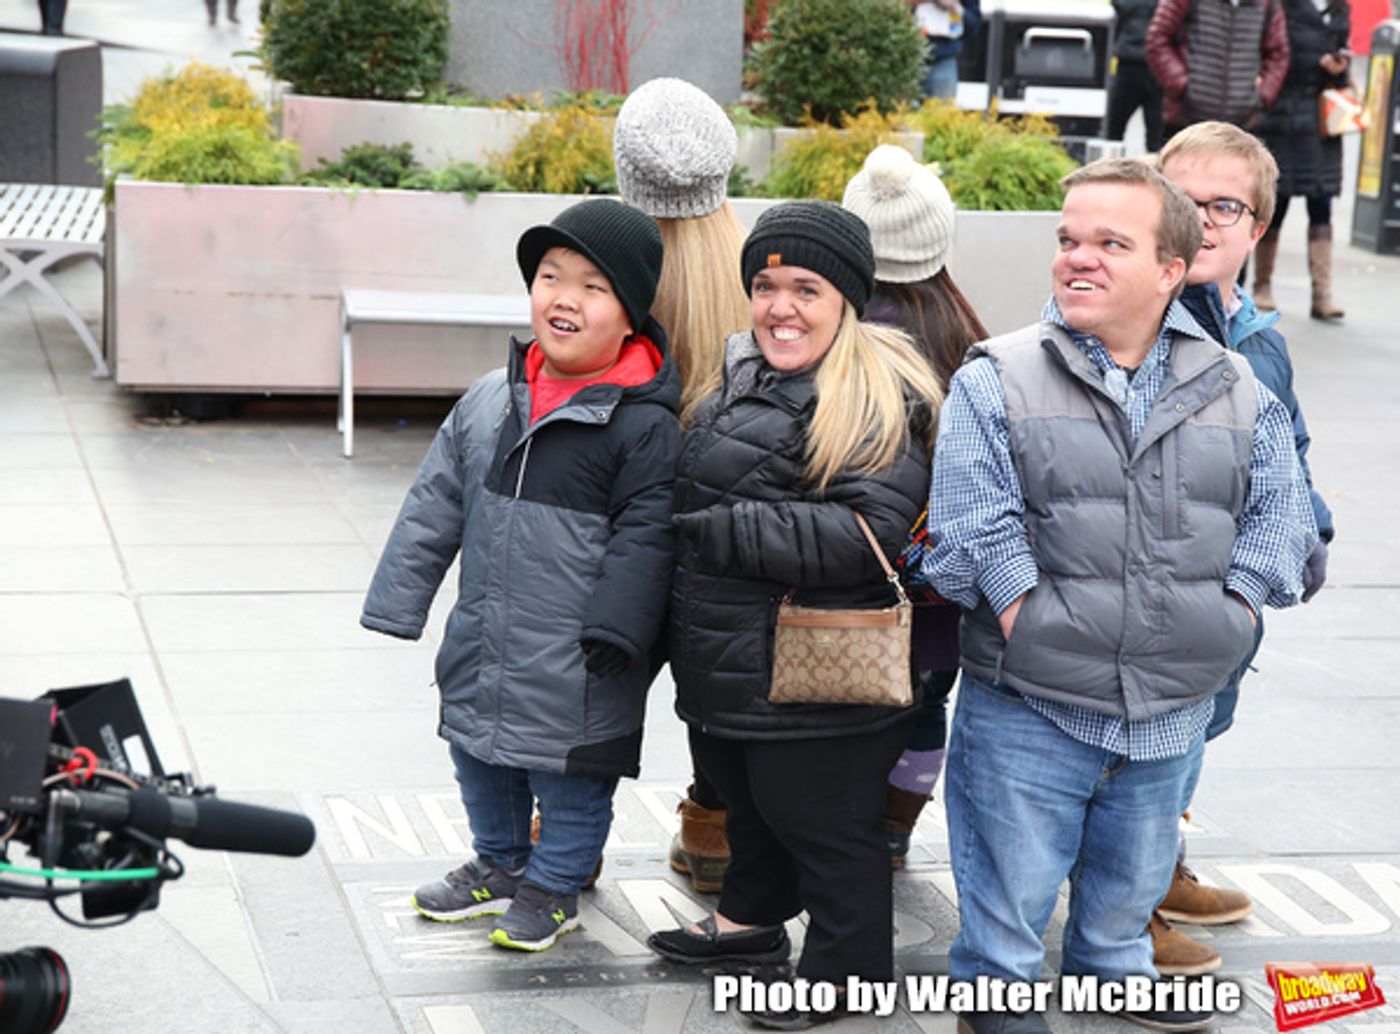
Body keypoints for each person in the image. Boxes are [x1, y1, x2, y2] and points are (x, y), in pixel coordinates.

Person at [926, 158, 1318, 1034]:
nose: (1078, 258)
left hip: (1173, 708)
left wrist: (1235, 614)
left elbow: (1278, 518)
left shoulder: (1235, 383)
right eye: (1069, 239)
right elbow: (970, 526)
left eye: (1111, 242)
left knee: (1127, 892)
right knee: (1007, 902)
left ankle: (1113, 971)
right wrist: (1029, 617)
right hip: (1030, 702)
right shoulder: (998, 375)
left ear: (1171, 270)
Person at [646, 201, 943, 1031]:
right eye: (766, 285)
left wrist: (728, 532)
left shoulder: (876, 391)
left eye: (806, 288)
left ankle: (847, 972)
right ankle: (749, 923)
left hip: (817, 671)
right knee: (750, 802)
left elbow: (865, 530)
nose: (781, 307)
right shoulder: (748, 373)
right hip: (741, 658)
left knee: (824, 825)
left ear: (846, 298)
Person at [360, 198, 680, 953]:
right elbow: (433, 504)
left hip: (581, 651)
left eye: (592, 286)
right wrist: (399, 602)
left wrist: (620, 629)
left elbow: (650, 536)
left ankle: (556, 882)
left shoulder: (641, 424)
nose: (563, 297)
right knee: (476, 750)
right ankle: (500, 863)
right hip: (487, 634)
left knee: (570, 781)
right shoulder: (487, 401)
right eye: (549, 276)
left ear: (630, 316)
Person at [1154, 120, 1334, 973]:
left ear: (1258, 228)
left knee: (1198, 733)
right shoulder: (1139, 326)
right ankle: (1130, 894)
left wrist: (1310, 529)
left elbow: (1289, 452)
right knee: (1147, 745)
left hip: (1230, 593)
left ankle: (1161, 863)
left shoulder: (1258, 338)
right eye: (1184, 203)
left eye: (1225, 206)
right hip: (1154, 588)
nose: (1204, 222)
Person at [612, 77, 752, 894]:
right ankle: (711, 830)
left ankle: (555, 830)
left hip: (617, 519)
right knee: (716, 685)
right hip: (722, 532)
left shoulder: (605, 269)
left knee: (587, 676)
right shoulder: (755, 277)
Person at [841, 144, 988, 868]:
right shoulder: (969, 338)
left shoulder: (838, 336)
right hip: (936, 591)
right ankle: (895, 832)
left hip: (852, 579)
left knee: (848, 715)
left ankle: (846, 827)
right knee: (926, 705)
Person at [1252, 0, 1353, 319]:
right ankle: (1261, 285)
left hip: (1323, 121)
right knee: (1276, 202)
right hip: (1283, 117)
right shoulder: (1282, 7)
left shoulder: (1339, 8)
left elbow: (1343, 56)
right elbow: (1272, 55)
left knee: (1321, 204)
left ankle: (1322, 293)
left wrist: (1339, 70)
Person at [1146, 0, 1290, 138]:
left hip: (1241, 124)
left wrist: (1262, 95)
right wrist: (1182, 85)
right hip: (1186, 121)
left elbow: (1278, 53)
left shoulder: (1268, 3)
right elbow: (1158, 39)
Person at [1105, 0, 1166, 152]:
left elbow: (1114, 25)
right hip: (1158, 66)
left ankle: (1111, 170)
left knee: (1113, 131)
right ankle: (1157, 171)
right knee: (1157, 138)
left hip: (1128, 62)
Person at [909, 0, 983, 101]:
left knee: (942, 112)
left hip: (943, 59)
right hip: (905, 58)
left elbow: (973, 25)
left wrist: (954, 7)